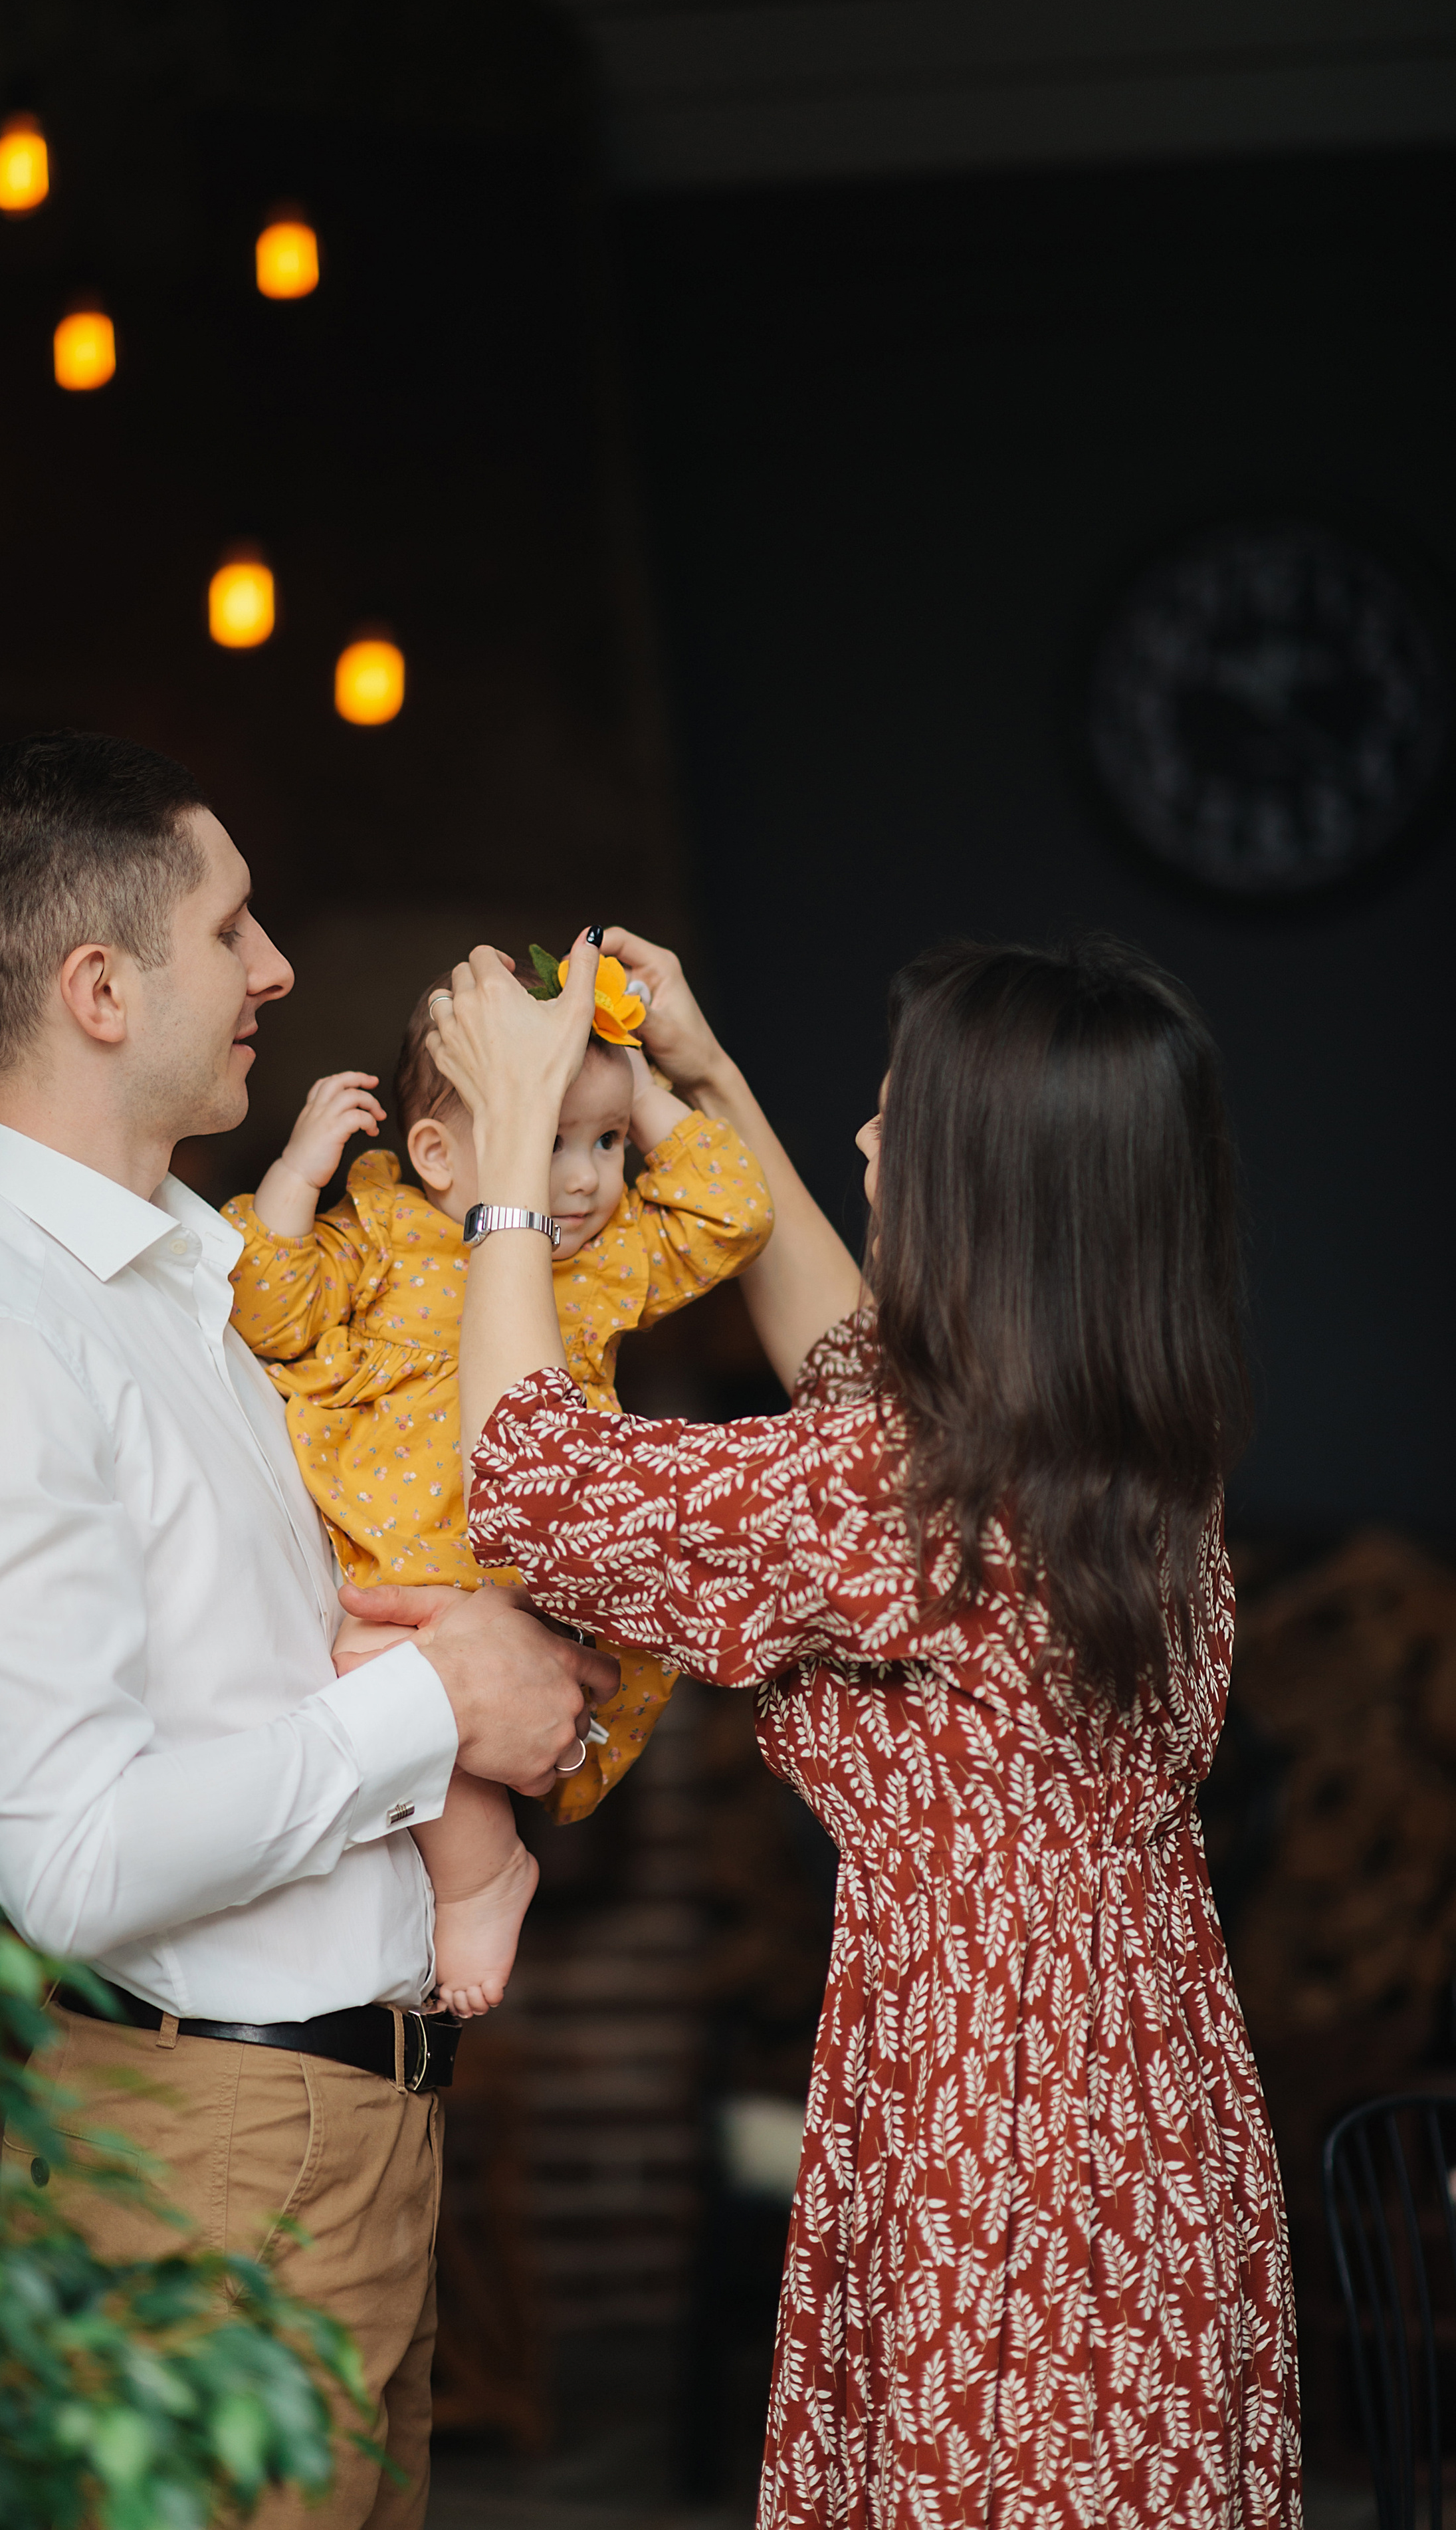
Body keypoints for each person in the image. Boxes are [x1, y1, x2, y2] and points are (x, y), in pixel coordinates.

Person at [0, 731, 616, 2530]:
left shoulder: (199, 1263)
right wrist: (434, 1702)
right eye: (233, 926)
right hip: (218, 2168)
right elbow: (78, 1859)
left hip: (345, 2140)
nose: (275, 968)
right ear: (100, 989)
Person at [425, 926, 1300, 2529]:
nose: (861, 1141)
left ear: (986, 1190)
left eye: (896, 1120)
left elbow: (529, 1485)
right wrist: (702, 1076)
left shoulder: (903, 1493)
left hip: (993, 2118)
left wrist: (502, 1157)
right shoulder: (1128, 1443)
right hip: (1148, 2093)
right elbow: (853, 1368)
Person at [221, 959, 771, 2016]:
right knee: (363, 1665)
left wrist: (641, 1080)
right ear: (433, 1154)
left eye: (604, 1144)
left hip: (541, 1587)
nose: (580, 1180)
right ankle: (483, 1872)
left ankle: (477, 1879)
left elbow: (729, 1215)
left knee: (393, 1672)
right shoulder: (383, 1234)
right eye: (549, 1136)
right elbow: (273, 1311)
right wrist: (298, 1174)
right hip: (416, 1597)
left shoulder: (601, 1262)